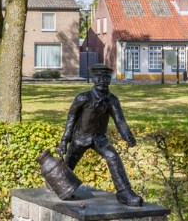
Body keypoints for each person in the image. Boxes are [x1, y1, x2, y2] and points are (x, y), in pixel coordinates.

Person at [58, 64, 143, 206]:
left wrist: (128, 136)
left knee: (113, 157)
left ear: (110, 79)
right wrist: (64, 140)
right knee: (68, 165)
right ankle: (59, 185)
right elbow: (71, 118)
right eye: (99, 77)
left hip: (99, 139)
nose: (102, 80)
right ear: (93, 78)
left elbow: (120, 120)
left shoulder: (112, 101)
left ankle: (124, 192)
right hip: (80, 138)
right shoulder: (82, 98)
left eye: (106, 77)